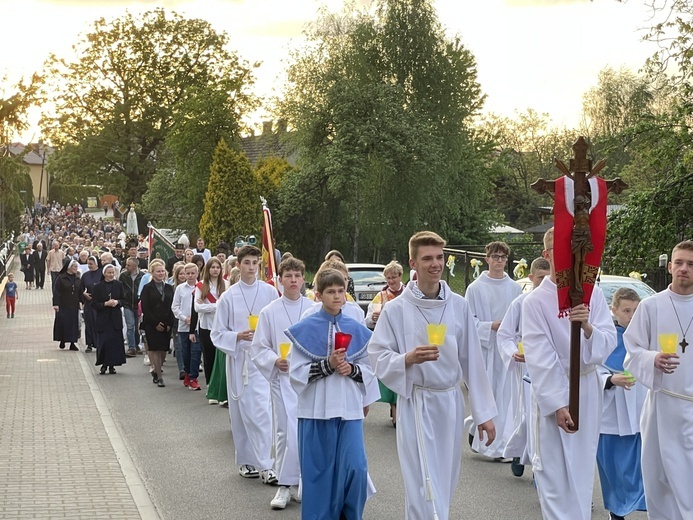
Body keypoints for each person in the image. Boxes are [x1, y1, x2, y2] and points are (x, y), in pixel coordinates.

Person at [368, 231, 497, 520]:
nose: (435, 264)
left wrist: (484, 415)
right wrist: (407, 359)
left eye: (439, 257)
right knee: (420, 480)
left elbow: (473, 362)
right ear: (413, 263)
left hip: (450, 401)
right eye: (427, 258)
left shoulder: (459, 306)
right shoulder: (396, 309)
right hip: (417, 401)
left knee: (446, 478)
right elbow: (376, 354)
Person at [521, 227, 616, 520]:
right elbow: (540, 355)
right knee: (553, 471)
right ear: (547, 255)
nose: (569, 259)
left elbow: (608, 340)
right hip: (556, 392)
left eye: (574, 253)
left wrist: (587, 327)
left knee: (581, 464)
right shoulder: (535, 301)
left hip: (587, 387)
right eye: (560, 252)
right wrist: (559, 403)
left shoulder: (594, 295)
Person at [286, 268, 378, 519]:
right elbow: (295, 374)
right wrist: (328, 364)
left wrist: (352, 369)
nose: (337, 296)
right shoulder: (304, 328)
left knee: (356, 470)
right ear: (319, 295)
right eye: (330, 292)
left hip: (349, 410)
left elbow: (370, 369)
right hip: (315, 412)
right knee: (319, 475)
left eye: (340, 291)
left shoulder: (356, 327)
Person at [624, 239, 693, 520]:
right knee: (660, 479)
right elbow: (631, 352)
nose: (684, 269)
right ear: (670, 267)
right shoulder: (651, 306)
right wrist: (652, 359)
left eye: (690, 264)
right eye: (679, 263)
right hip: (662, 407)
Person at [211, 245, 278, 483]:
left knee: (261, 411)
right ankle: (246, 460)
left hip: (263, 359)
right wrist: (237, 336)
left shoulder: (270, 292)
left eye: (255, 262)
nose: (251, 267)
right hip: (239, 359)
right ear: (238, 265)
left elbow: (277, 323)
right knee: (241, 412)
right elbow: (217, 333)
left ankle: (267, 464)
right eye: (247, 262)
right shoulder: (228, 296)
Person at [251, 257, 312, 510]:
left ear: (303, 279)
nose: (294, 280)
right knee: (285, 432)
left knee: (306, 433)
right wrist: (275, 360)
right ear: (280, 280)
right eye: (289, 276)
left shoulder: (313, 308)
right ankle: (283, 486)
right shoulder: (270, 311)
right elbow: (258, 347)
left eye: (298, 276)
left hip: (309, 382)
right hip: (283, 380)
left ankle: (300, 482)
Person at [464, 241, 522, 460]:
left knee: (507, 398)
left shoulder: (515, 288)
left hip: (508, 350)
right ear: (486, 259)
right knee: (489, 396)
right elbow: (469, 321)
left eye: (503, 257)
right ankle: (487, 441)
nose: (499, 261)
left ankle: (503, 445)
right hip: (487, 351)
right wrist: (491, 326)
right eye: (495, 257)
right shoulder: (475, 288)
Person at [496, 257, 551, 476]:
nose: (546, 281)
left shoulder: (558, 302)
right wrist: (512, 352)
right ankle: (519, 451)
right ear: (531, 278)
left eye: (549, 277)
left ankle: (536, 459)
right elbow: (505, 333)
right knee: (527, 414)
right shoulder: (521, 303)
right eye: (541, 278)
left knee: (545, 414)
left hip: (548, 367)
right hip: (525, 366)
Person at [597, 287, 646, 520]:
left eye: (636, 311)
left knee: (640, 468)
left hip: (638, 412)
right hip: (611, 415)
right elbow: (589, 368)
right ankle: (616, 511)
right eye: (626, 310)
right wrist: (609, 379)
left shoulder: (646, 336)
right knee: (613, 470)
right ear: (613, 310)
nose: (631, 316)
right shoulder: (604, 336)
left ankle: (646, 507)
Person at [365, 260, 405, 427]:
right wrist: (373, 319)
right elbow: (368, 320)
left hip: (404, 339)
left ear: (401, 276)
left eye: (393, 277)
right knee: (391, 375)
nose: (390, 281)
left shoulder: (408, 294)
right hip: (389, 340)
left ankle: (399, 411)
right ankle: (394, 409)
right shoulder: (380, 296)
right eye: (387, 278)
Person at [195, 257, 226, 399]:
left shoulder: (226, 284)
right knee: (209, 357)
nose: (215, 270)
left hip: (222, 326)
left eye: (217, 267)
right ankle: (210, 386)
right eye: (212, 267)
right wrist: (217, 305)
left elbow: (229, 306)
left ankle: (221, 387)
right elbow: (197, 307)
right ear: (208, 269)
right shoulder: (201, 285)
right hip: (206, 326)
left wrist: (210, 306)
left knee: (221, 358)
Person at [140, 259, 175, 388]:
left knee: (163, 349)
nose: (161, 273)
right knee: (155, 348)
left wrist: (170, 322)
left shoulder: (169, 288)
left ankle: (156, 370)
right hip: (152, 323)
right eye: (158, 271)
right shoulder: (147, 288)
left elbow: (173, 305)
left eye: (162, 271)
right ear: (152, 273)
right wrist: (155, 323)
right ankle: (159, 376)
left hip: (167, 322)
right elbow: (145, 308)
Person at [92, 264, 127, 375]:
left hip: (115, 319)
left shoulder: (119, 285)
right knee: (104, 342)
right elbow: (94, 304)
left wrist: (117, 302)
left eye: (113, 273)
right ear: (104, 274)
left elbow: (123, 299)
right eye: (109, 273)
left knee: (114, 343)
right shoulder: (97, 287)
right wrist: (105, 304)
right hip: (103, 319)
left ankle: (112, 365)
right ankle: (103, 364)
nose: (111, 275)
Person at [172, 262, 202, 391]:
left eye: (192, 273)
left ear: (197, 273)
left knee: (196, 352)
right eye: (187, 273)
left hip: (197, 326)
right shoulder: (180, 288)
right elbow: (175, 306)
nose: (190, 276)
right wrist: (184, 318)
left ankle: (193, 377)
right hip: (184, 326)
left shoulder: (201, 287)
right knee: (185, 352)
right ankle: (187, 373)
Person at [52, 258, 83, 351]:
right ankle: (62, 340)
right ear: (69, 267)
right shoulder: (61, 277)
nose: (76, 268)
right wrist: (56, 304)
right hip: (63, 304)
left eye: (77, 266)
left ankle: (72, 342)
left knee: (73, 324)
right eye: (74, 266)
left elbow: (80, 291)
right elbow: (56, 291)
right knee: (63, 323)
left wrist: (82, 301)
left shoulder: (77, 277)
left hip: (74, 304)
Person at [120, 257, 145, 357]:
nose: (126, 266)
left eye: (128, 265)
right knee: (130, 326)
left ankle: (137, 345)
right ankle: (131, 347)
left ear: (135, 266)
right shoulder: (123, 276)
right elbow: (120, 288)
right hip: (127, 304)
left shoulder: (142, 276)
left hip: (138, 305)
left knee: (137, 327)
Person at [81, 256, 102, 353]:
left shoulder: (102, 273)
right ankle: (89, 344)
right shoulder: (85, 275)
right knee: (89, 323)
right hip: (89, 302)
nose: (89, 266)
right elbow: (80, 288)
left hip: (99, 303)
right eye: (88, 264)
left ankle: (99, 343)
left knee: (98, 323)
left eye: (91, 264)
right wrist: (84, 294)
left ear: (96, 263)